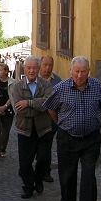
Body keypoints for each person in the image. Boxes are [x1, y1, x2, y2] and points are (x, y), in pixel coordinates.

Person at [43, 56, 101, 201]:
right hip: (67, 137)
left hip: (91, 138)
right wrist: (62, 124)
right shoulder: (61, 88)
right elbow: (51, 108)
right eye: (77, 71)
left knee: (88, 174)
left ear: (89, 72)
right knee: (67, 172)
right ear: (71, 71)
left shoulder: (98, 86)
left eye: (83, 71)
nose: (80, 75)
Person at [11, 56, 54, 199]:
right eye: (29, 68)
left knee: (43, 158)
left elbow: (47, 104)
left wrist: (28, 103)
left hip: (43, 128)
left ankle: (39, 179)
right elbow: (19, 109)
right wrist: (38, 106)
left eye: (35, 68)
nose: (31, 71)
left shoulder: (46, 85)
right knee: (25, 160)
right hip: (25, 128)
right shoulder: (17, 86)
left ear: (39, 69)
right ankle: (28, 186)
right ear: (24, 69)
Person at [39, 55, 62, 183]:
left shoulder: (57, 81)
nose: (47, 68)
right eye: (45, 65)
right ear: (40, 65)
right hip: (36, 118)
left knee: (46, 146)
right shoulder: (34, 79)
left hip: (51, 119)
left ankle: (45, 171)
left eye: (50, 65)